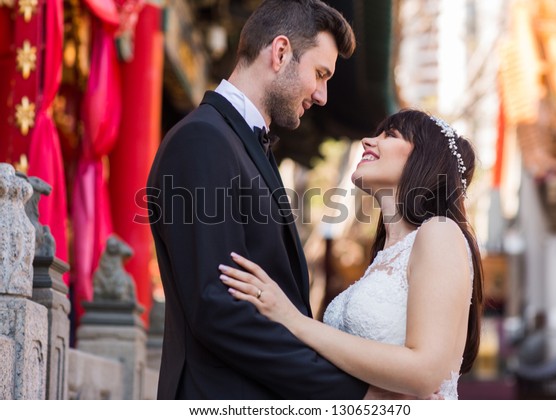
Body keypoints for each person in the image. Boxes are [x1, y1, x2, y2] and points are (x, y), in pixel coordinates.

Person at [147, 0, 388, 399]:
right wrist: (351, 393)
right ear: (280, 53)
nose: (323, 95)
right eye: (320, 73)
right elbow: (218, 308)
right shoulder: (203, 140)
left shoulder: (241, 144)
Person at [219, 109, 485, 400]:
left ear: (426, 158)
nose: (368, 141)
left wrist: (293, 320)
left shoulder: (439, 232)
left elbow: (425, 372)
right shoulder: (383, 259)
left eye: (390, 135)